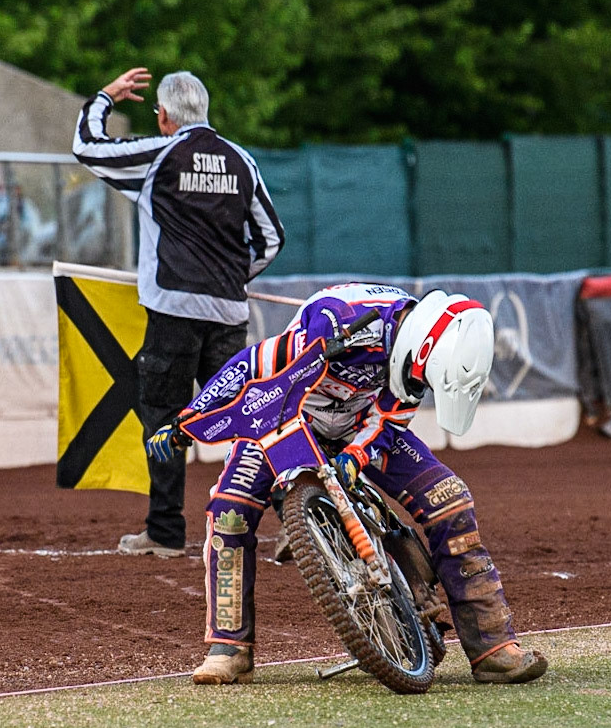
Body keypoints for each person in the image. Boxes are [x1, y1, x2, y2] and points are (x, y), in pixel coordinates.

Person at [146, 282, 548, 686]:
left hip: (359, 429)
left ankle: (493, 648)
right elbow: (252, 363)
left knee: (450, 498)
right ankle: (229, 649)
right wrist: (190, 418)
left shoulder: (423, 351)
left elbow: (390, 418)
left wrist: (356, 455)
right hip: (283, 420)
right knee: (228, 512)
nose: (416, 381)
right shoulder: (339, 321)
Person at [73, 67, 285, 558]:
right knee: (250, 418)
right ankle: (298, 523)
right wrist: (232, 279)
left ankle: (166, 531)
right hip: (230, 312)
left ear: (163, 116)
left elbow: (87, 146)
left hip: (172, 309)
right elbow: (271, 239)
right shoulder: (242, 161)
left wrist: (105, 96)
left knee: (164, 418)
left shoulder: (157, 155)